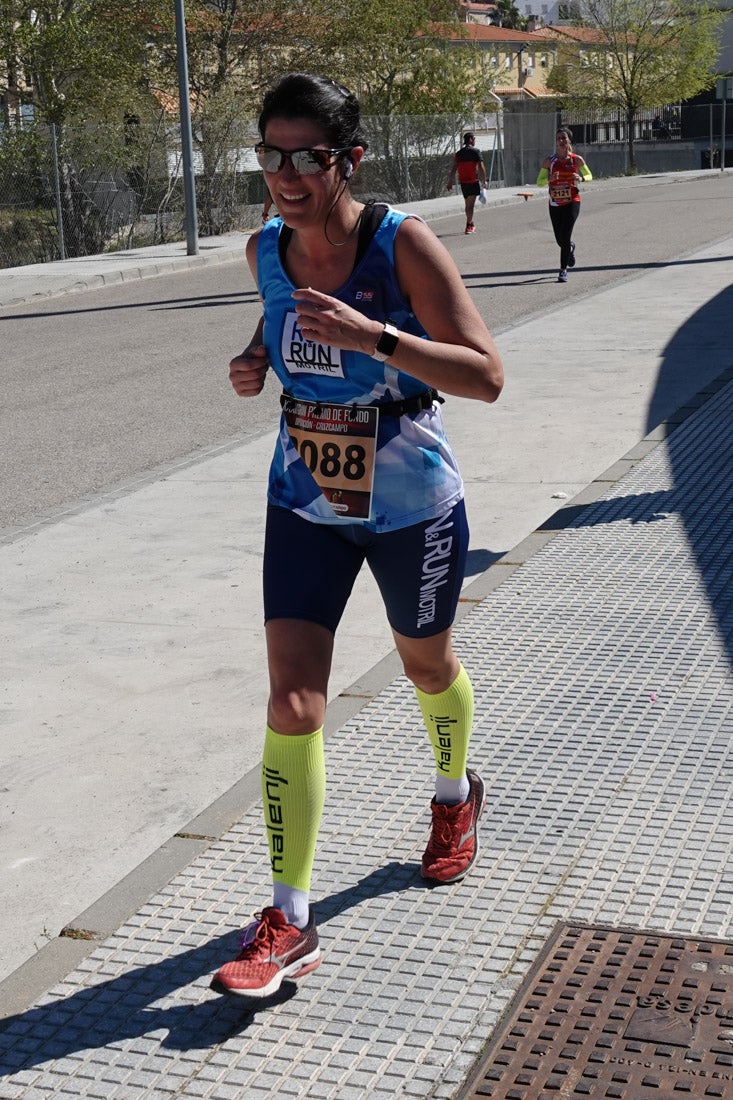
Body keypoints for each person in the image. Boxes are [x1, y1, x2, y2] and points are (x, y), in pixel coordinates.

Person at [210, 72, 504, 1000]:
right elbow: (281, 329)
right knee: (293, 701)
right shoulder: (263, 246)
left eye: (308, 156)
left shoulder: (400, 242)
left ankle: (454, 797)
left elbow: (485, 375)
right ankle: (289, 918)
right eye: (272, 153)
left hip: (410, 504)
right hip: (303, 499)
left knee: (424, 666)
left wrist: (374, 336)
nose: (287, 174)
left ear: (350, 160)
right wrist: (257, 361)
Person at [536, 127, 592, 283]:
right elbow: (539, 182)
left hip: (572, 201)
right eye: (558, 138)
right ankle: (570, 248)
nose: (561, 141)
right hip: (555, 204)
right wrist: (549, 179)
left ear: (569, 141)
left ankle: (562, 270)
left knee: (566, 234)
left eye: (564, 138)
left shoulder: (576, 159)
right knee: (560, 240)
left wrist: (580, 178)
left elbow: (589, 175)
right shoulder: (549, 161)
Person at [447, 132, 487, 235]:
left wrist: (450, 181)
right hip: (473, 181)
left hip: (463, 182)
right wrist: (484, 180)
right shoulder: (476, 152)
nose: (475, 141)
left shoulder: (459, 153)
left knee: (468, 205)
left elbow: (454, 168)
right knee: (470, 206)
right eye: (474, 139)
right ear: (470, 140)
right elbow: (481, 167)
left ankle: (470, 223)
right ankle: (469, 225)